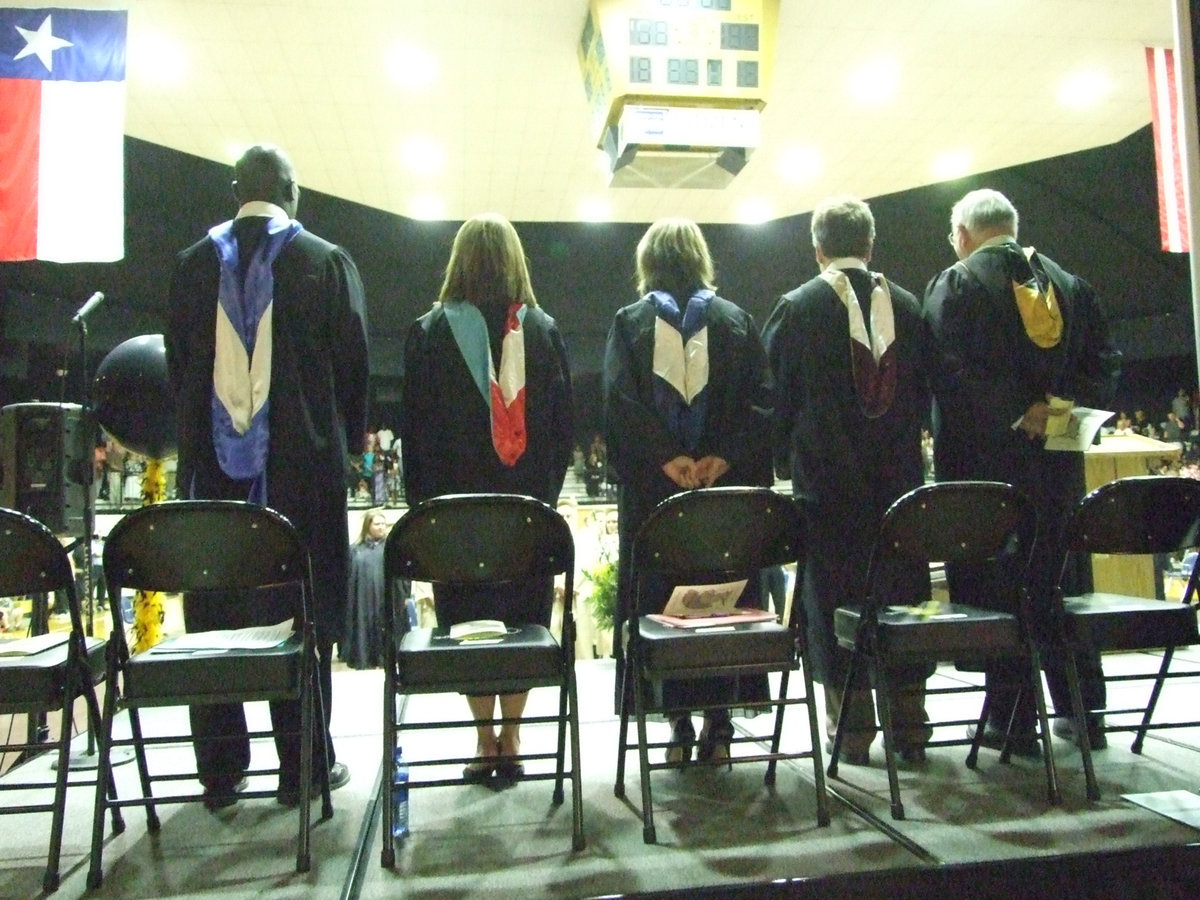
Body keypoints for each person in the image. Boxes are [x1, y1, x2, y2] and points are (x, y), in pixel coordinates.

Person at [165, 143, 369, 809]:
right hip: (302, 478)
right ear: (293, 194)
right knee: (300, 616)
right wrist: (347, 444)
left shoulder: (191, 268)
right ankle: (303, 766)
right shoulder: (328, 262)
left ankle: (221, 774)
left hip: (213, 483)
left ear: (235, 190)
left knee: (217, 621)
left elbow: (175, 374)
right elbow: (354, 376)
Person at [924, 188, 1121, 753]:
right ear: (1012, 225)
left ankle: (1010, 721)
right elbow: (1106, 363)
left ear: (963, 234)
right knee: (1059, 577)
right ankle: (1085, 712)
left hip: (989, 470)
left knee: (999, 586)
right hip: (1057, 465)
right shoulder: (1070, 284)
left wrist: (1017, 410)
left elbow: (948, 371)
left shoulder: (957, 283)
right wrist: (1056, 409)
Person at [400, 212, 573, 782]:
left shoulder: (427, 334)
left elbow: (415, 437)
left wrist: (426, 515)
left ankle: (483, 740)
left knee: (468, 623)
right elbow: (562, 434)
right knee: (524, 621)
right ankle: (516, 735)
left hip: (455, 524)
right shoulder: (544, 331)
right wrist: (540, 505)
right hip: (526, 523)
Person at [762, 196, 933, 766]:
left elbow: (776, 405)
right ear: (870, 245)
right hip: (902, 494)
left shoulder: (796, 308)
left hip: (828, 496)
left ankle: (851, 732)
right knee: (902, 602)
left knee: (835, 606)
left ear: (817, 250)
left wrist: (788, 464)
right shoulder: (909, 308)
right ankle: (910, 723)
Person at [603, 217, 773, 764]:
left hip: (659, 500)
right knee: (724, 602)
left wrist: (665, 458)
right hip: (723, 498)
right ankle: (720, 728)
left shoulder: (629, 323)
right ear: (702, 260)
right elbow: (763, 401)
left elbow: (617, 403)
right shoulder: (737, 322)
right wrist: (724, 455)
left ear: (646, 263)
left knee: (664, 607)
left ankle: (676, 727)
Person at [342, 508, 389, 669]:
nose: (381, 527)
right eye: (377, 524)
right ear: (368, 526)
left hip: (384, 597)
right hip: (362, 598)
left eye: (383, 524)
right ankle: (364, 658)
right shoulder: (355, 550)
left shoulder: (390, 549)